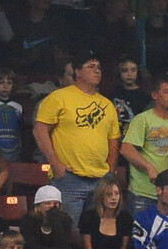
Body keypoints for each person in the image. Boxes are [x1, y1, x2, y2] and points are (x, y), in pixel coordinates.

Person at [35, 54, 121, 223]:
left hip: (100, 179)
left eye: (99, 67)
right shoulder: (59, 97)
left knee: (96, 230)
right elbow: (40, 130)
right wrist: (55, 164)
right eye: (91, 67)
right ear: (77, 72)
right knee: (67, 229)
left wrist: (110, 173)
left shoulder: (108, 105)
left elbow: (113, 141)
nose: (97, 71)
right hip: (69, 178)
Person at [75, 176, 133, 249]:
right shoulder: (88, 217)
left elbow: (124, 246)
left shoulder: (126, 219)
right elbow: (87, 246)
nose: (114, 198)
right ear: (101, 196)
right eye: (109, 194)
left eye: (117, 193)